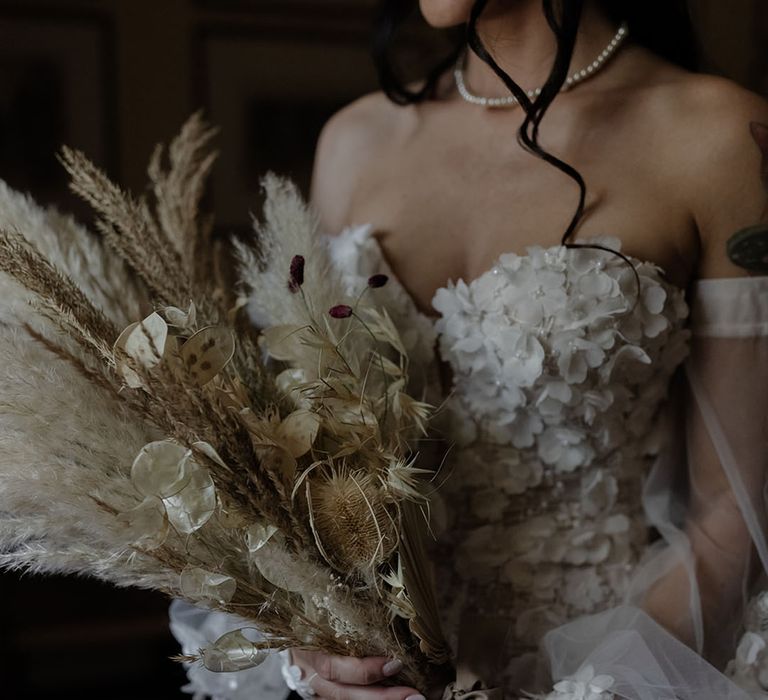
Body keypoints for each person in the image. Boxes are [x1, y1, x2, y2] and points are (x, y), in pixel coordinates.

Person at [171, 1, 768, 698]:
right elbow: (311, 467)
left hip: (626, 663)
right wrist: (324, 650)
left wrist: (587, 693)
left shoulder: (722, 139)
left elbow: (733, 525)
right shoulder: (354, 142)